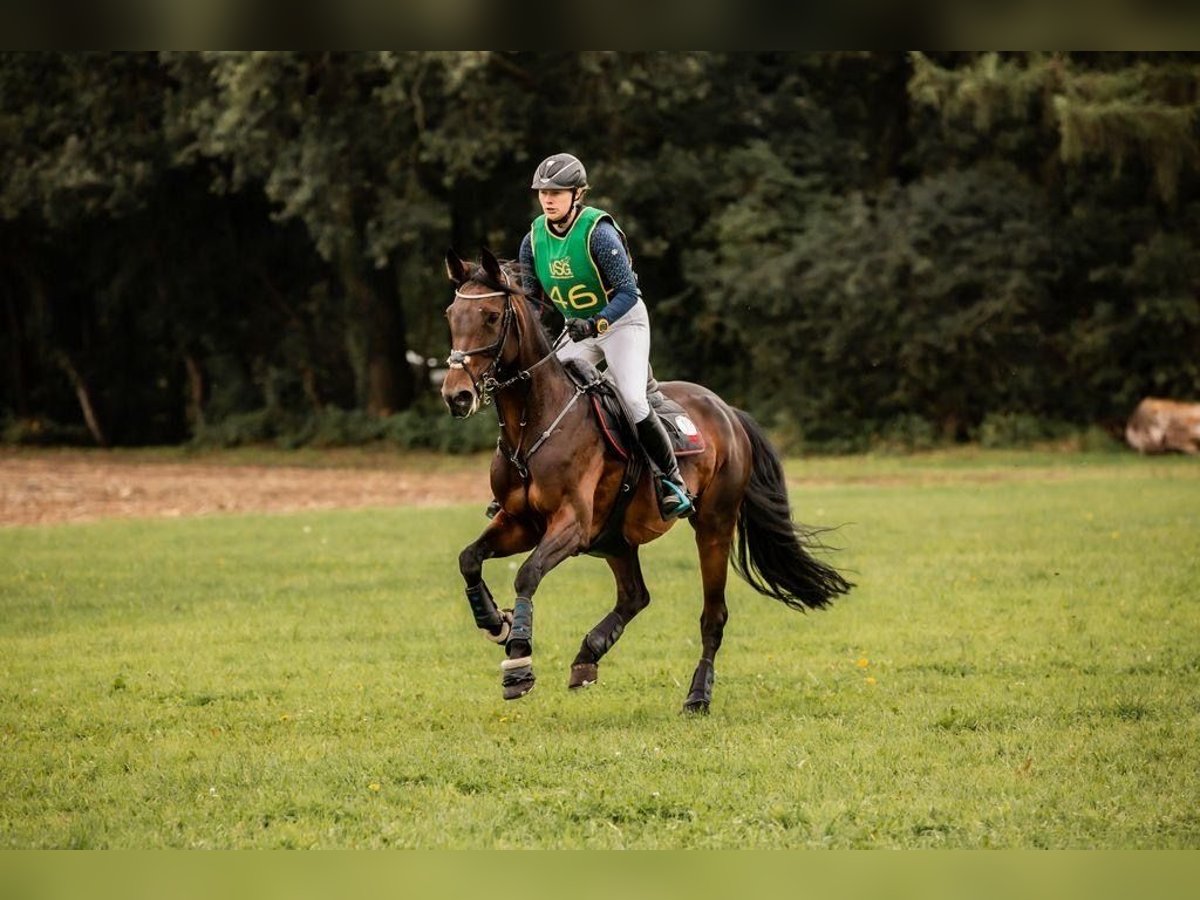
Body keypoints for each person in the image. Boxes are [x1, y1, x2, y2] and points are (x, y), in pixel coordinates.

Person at [518, 152, 693, 519]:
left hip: (622, 324)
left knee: (631, 399)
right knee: (542, 391)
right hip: (577, 328)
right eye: (543, 192)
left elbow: (629, 292)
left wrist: (596, 323)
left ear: (577, 194)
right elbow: (533, 300)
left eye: (558, 192)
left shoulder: (599, 233)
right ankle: (526, 477)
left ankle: (671, 480)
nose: (548, 199)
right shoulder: (532, 240)